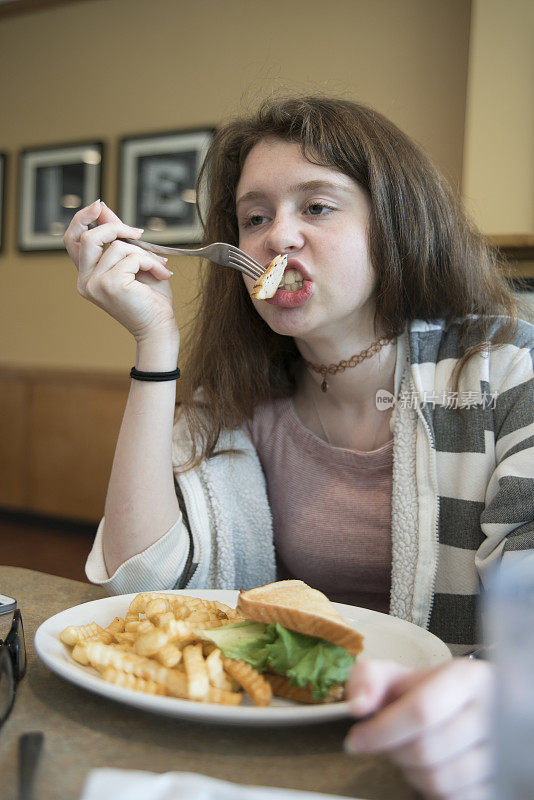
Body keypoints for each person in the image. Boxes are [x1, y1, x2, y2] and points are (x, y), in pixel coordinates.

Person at [64, 96, 533, 799]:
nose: (277, 236)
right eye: (254, 217)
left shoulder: (506, 374)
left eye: (317, 207)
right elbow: (140, 582)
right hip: (258, 749)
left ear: (395, 224)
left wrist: (495, 702)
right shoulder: (242, 404)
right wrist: (154, 342)